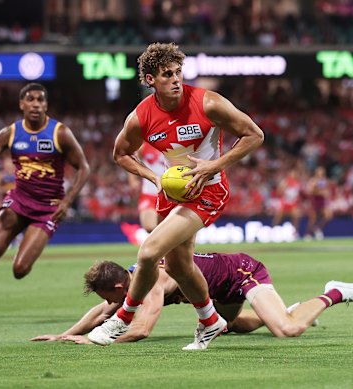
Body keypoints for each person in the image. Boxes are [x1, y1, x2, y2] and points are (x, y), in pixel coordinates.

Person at [94, 42, 265, 349]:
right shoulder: (141, 116)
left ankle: (122, 318)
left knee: (148, 252)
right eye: (166, 74)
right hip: (173, 192)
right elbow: (121, 154)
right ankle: (210, 322)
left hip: (209, 189)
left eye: (178, 72)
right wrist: (153, 177)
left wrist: (215, 164)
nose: (176, 79)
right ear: (150, 80)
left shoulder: (208, 102)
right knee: (177, 266)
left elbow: (254, 134)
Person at [0, 83, 90, 328]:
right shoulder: (9, 133)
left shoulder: (59, 133)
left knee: (19, 270)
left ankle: (30, 239)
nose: (36, 104)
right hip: (18, 200)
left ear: (46, 105)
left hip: (47, 208)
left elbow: (84, 167)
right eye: (30, 99)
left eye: (41, 100)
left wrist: (68, 200)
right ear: (21, 104)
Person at [32, 254, 353, 344]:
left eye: (111, 297)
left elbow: (140, 330)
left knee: (286, 331)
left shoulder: (151, 282)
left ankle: (335, 291)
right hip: (219, 292)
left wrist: (93, 340)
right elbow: (101, 311)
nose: (110, 304)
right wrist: (66, 334)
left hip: (242, 272)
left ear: (120, 288)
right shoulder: (133, 277)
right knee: (236, 327)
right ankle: (288, 308)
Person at [120, 142, 166, 245]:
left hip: (169, 195)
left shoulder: (172, 144)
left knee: (164, 227)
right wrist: (133, 180)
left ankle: (165, 252)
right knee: (149, 227)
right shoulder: (145, 146)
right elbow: (131, 160)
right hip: (149, 194)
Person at [272, 168, 304, 239]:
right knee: (279, 215)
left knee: (296, 215)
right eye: (292, 174)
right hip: (285, 202)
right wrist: (283, 188)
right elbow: (278, 192)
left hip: (293, 203)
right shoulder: (285, 182)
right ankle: (273, 230)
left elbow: (299, 194)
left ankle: (295, 232)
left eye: (294, 174)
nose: (293, 175)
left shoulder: (297, 183)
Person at [304, 166, 333, 240]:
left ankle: (317, 228)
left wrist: (326, 193)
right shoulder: (313, 181)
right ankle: (308, 234)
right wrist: (320, 192)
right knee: (313, 218)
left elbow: (327, 191)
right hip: (315, 201)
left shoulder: (325, 181)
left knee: (328, 215)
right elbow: (310, 191)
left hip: (323, 201)